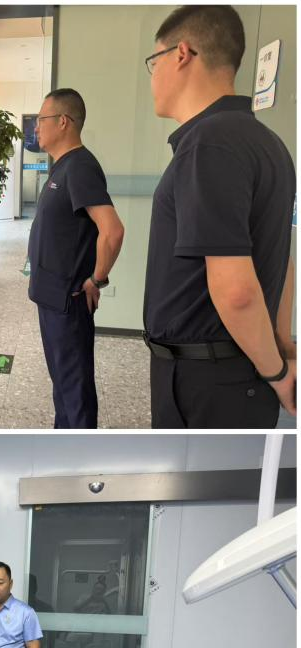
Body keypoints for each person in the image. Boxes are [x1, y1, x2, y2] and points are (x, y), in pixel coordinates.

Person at [143, 5, 296, 428]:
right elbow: (281, 258)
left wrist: (277, 373)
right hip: (238, 371)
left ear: (181, 54)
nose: (153, 77)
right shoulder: (270, 144)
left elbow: (237, 291)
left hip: (206, 380)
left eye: (154, 62)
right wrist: (281, 346)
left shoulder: (208, 144)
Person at [28, 88, 125, 428]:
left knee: (75, 390)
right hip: (51, 298)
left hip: (67, 303)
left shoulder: (80, 167)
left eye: (41, 119)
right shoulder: (62, 167)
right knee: (62, 385)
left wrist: (97, 279)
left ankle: (80, 444)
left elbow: (113, 231)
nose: (36, 127)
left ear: (63, 122)